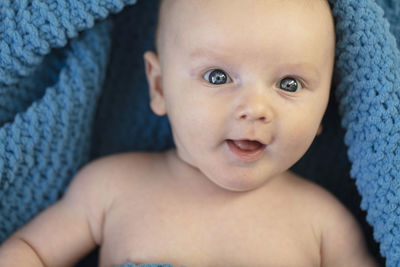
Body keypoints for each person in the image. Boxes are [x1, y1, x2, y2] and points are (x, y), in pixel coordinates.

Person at [0, 0, 379, 266]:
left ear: (326, 107)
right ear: (160, 87)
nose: (255, 109)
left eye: (290, 84)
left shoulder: (324, 224)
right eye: (218, 77)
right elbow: (32, 251)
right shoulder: (111, 188)